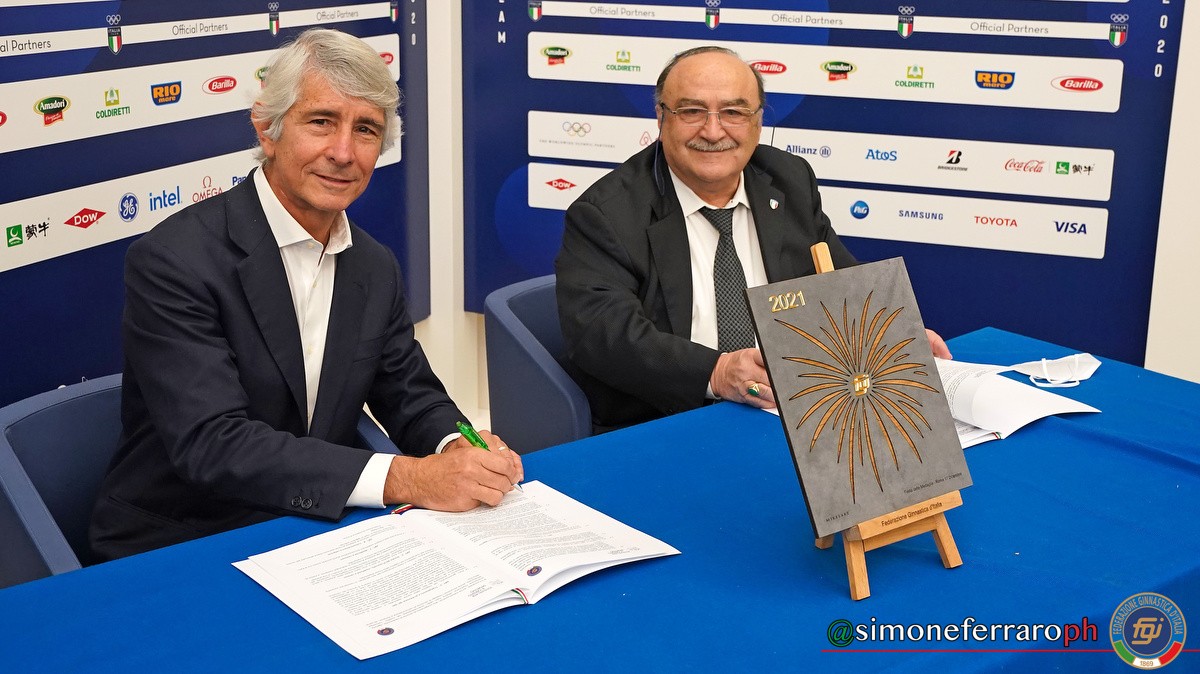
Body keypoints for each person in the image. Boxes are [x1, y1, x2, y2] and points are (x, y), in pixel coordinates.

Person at [89, 28, 522, 561]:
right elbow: (213, 444)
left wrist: (460, 447)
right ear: (267, 129)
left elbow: (410, 393)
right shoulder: (174, 260)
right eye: (321, 122)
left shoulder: (373, 265)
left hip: (312, 528)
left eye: (365, 130)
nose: (343, 152)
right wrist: (410, 478)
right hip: (184, 540)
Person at [556, 45, 951, 434]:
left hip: (787, 411)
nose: (713, 131)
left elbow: (837, 281)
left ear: (758, 121)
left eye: (733, 112)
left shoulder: (788, 179)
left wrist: (892, 334)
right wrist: (717, 372)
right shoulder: (606, 213)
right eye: (691, 111)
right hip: (665, 420)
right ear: (661, 117)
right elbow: (604, 334)